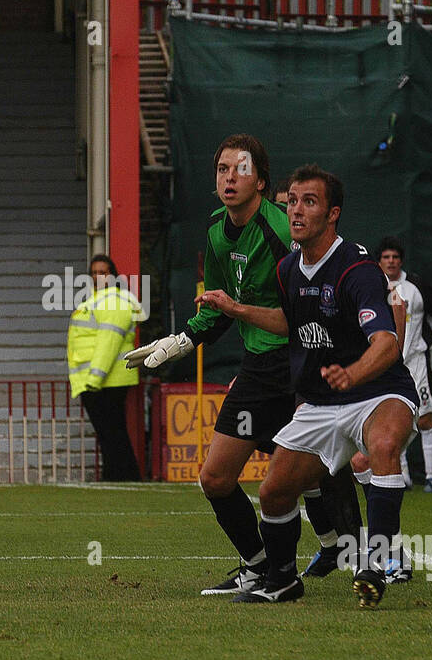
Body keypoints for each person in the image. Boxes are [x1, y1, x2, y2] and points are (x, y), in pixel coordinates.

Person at [196, 164, 417, 608]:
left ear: (332, 214)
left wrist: (353, 374)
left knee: (384, 445)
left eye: (309, 202)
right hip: (320, 401)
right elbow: (288, 323)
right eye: (291, 201)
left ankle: (376, 562)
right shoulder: (288, 270)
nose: (296, 211)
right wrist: (237, 308)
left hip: (378, 391)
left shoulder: (357, 269)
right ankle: (281, 580)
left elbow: (387, 343)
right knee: (274, 492)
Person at [125, 135, 294, 595]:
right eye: (222, 169)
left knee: (325, 465)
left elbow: (308, 305)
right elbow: (218, 306)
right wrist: (180, 342)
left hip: (295, 363)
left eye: (240, 169)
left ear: (260, 180)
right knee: (219, 477)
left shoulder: (280, 229)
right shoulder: (218, 228)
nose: (229, 178)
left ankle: (357, 557)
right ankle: (263, 565)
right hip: (260, 364)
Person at [376, 237, 432, 492]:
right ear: (379, 261)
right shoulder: (372, 286)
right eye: (386, 257)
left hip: (417, 362)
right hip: (386, 364)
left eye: (395, 257)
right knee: (392, 420)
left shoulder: (415, 285)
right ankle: (403, 476)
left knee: (425, 419)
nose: (391, 262)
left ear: (401, 260)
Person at [68, 255, 142, 481]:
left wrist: (94, 379)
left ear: (113, 275)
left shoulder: (113, 301)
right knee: (110, 432)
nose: (98, 277)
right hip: (103, 379)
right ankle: (119, 476)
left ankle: (122, 476)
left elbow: (108, 343)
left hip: (105, 380)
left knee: (112, 432)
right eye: (94, 273)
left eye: (103, 272)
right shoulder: (99, 300)